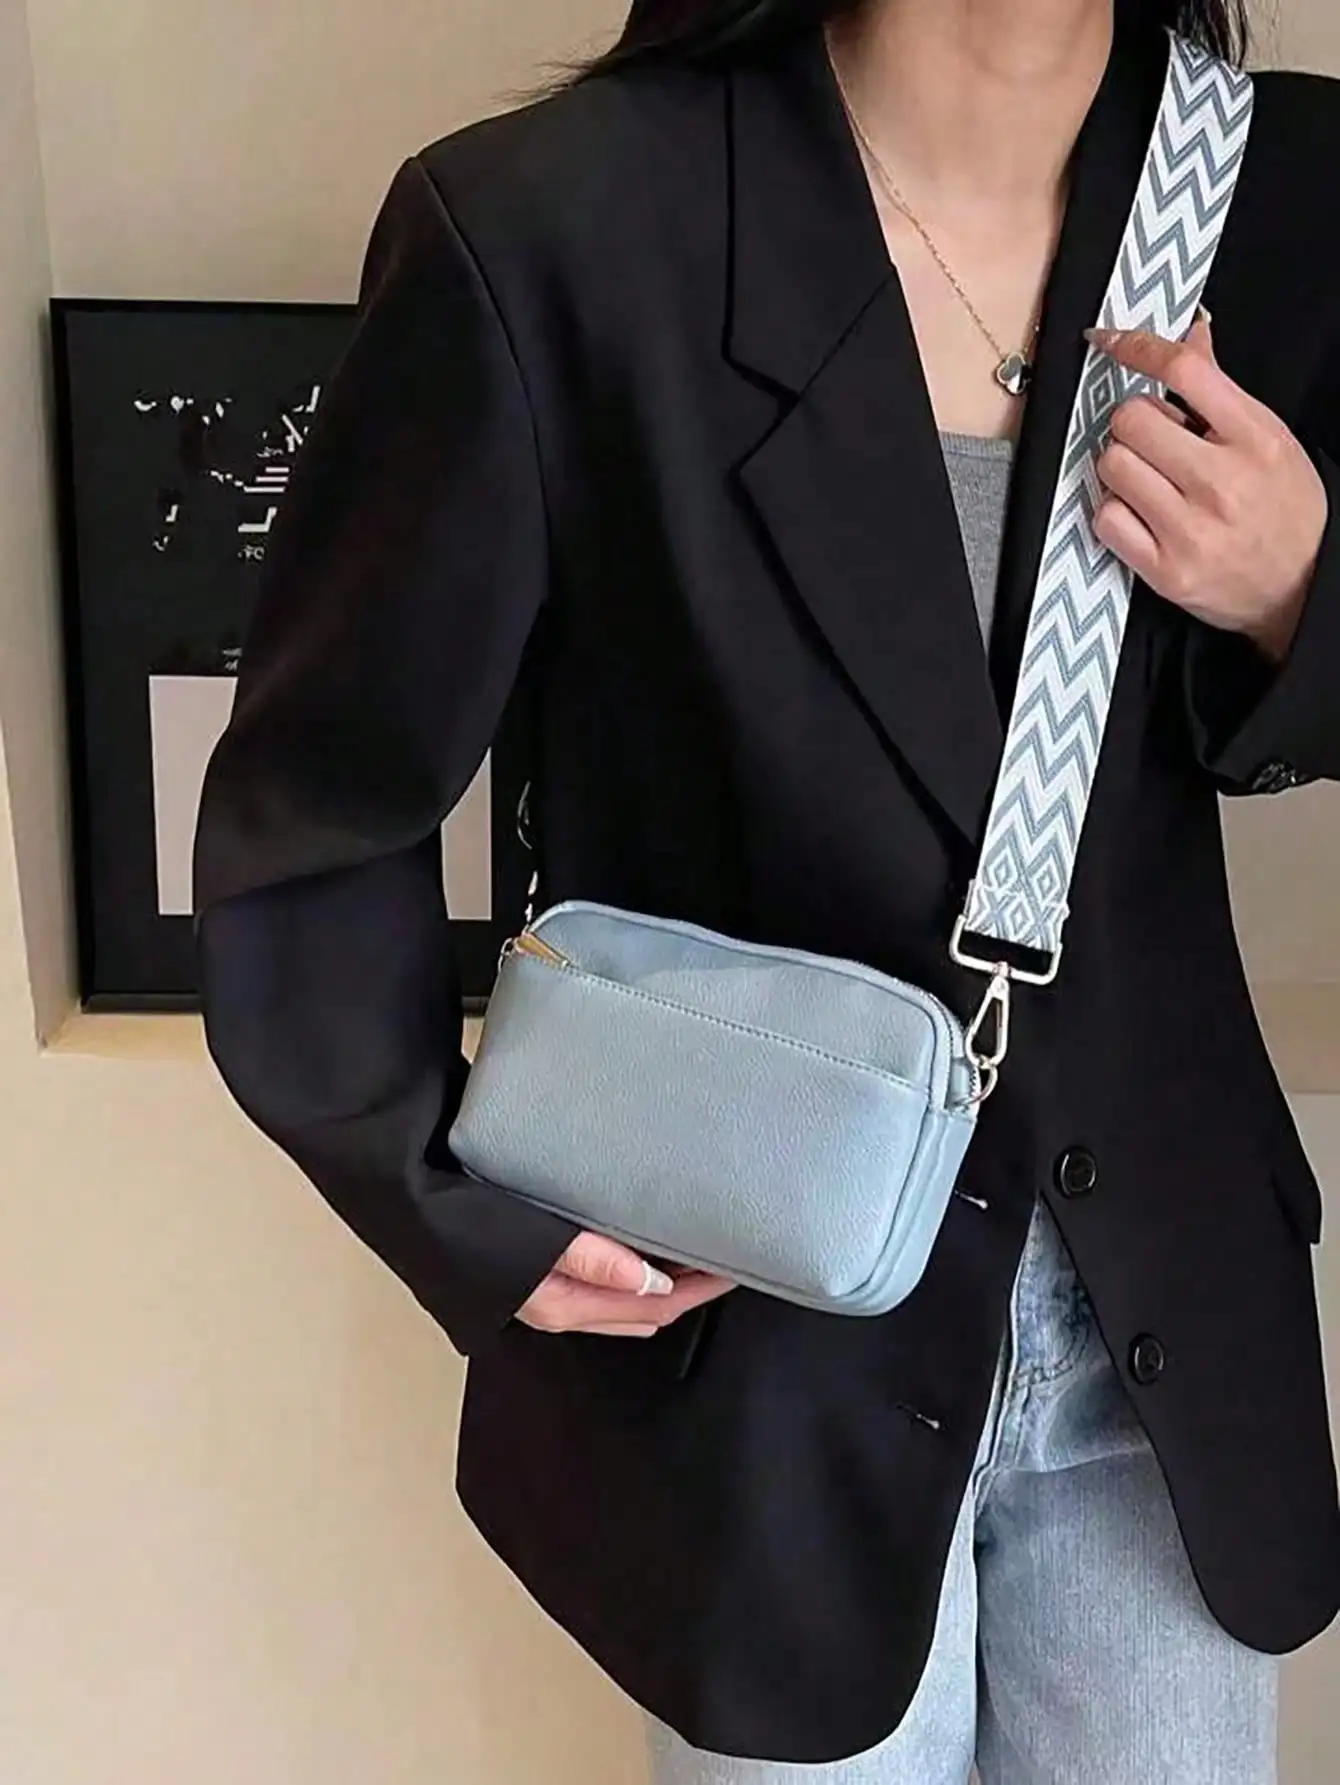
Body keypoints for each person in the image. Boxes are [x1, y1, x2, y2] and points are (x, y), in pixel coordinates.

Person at [192, 0, 1340, 1778]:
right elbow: (318, 804)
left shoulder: (1286, 197)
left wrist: (1301, 593)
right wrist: (451, 1195)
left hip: (1168, 1346)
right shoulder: (555, 228)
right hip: (753, 1352)